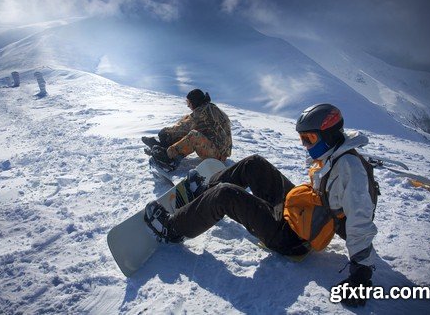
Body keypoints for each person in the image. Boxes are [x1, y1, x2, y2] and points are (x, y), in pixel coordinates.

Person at [144, 103, 378, 307]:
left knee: (226, 195)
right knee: (254, 164)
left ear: (328, 134)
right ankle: (204, 192)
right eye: (302, 138)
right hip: (300, 213)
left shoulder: (349, 170)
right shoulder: (335, 153)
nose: (305, 145)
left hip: (293, 237)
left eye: (310, 139)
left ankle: (172, 229)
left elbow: (360, 218)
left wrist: (361, 273)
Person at [142, 89, 232, 170]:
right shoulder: (209, 108)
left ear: (195, 102)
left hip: (217, 156)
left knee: (193, 135)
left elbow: (184, 127)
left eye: (189, 103)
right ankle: (162, 148)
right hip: (216, 149)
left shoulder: (202, 111)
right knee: (187, 122)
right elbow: (188, 123)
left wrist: (166, 132)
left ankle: (169, 159)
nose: (188, 105)